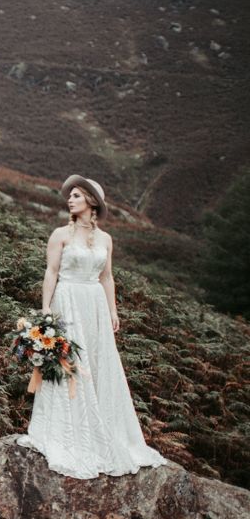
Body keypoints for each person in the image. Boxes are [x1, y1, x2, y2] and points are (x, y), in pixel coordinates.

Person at [16, 174, 168, 478]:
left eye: (76, 195)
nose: (70, 200)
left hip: (95, 303)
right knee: (71, 363)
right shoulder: (60, 234)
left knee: (97, 362)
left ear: (91, 201)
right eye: (70, 196)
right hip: (68, 299)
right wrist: (46, 309)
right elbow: (51, 272)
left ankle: (104, 431)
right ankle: (67, 432)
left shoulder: (105, 239)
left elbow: (106, 277)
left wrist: (112, 310)